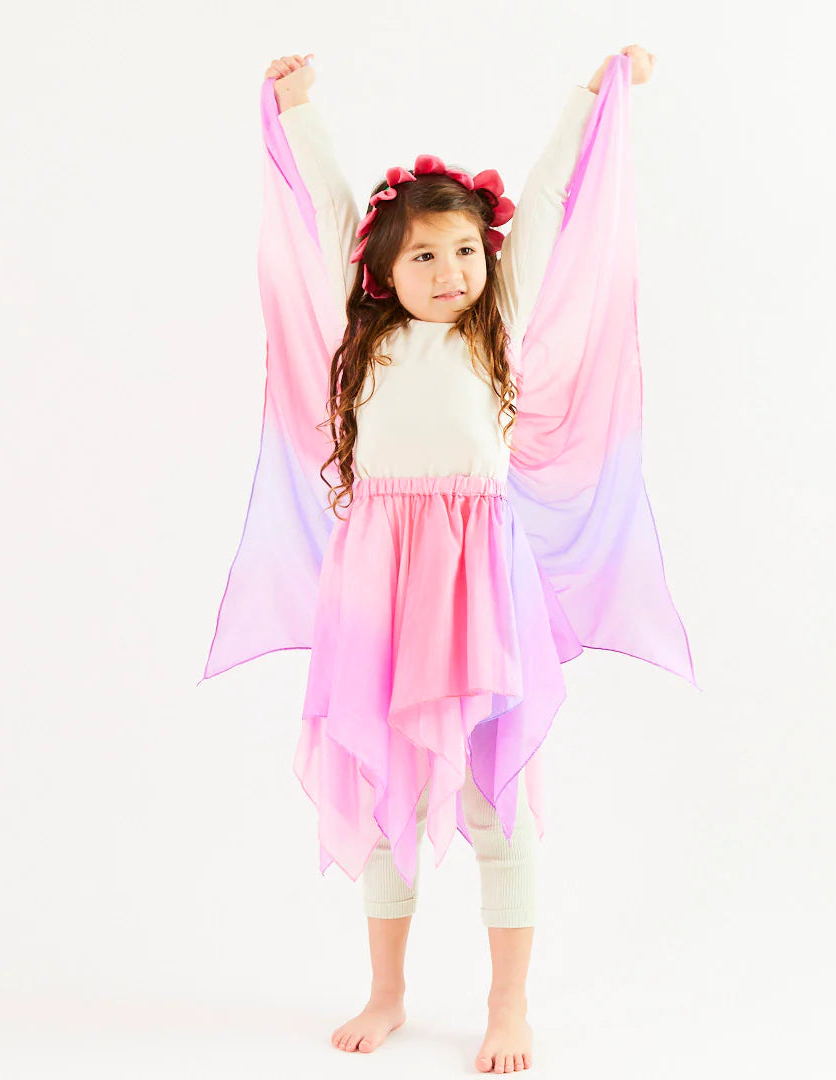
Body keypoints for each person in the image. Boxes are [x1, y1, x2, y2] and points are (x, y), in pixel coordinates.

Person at [203, 45, 696, 1074]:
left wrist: (593, 92)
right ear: (382, 271)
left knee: (493, 797)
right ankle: (386, 991)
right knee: (390, 790)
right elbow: (331, 208)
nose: (450, 272)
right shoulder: (365, 335)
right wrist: (299, 109)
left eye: (465, 251)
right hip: (379, 584)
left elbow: (551, 195)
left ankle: (508, 1005)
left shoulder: (494, 328)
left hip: (479, 587)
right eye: (423, 257)